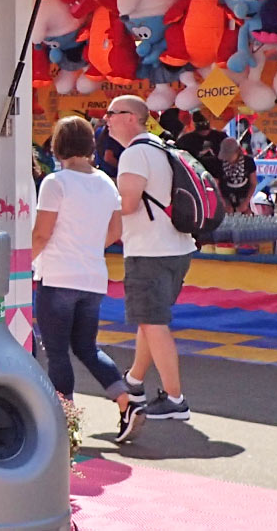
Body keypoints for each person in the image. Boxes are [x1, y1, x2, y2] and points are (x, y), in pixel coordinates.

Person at [32, 115, 144, 443]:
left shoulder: (56, 182)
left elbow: (42, 233)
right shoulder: (105, 183)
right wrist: (88, 245)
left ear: (58, 145)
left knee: (56, 351)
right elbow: (114, 231)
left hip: (57, 274)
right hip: (93, 276)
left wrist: (23, 261)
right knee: (86, 347)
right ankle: (126, 401)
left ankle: (64, 422)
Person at [107, 94, 197, 421]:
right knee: (150, 319)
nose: (106, 119)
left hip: (149, 251)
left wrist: (98, 208)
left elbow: (128, 204)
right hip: (177, 247)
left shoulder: (134, 154)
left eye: (112, 113)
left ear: (131, 117)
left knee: (154, 323)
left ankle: (175, 399)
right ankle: (134, 380)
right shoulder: (161, 148)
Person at [216, 127, 256, 215]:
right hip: (225, 196)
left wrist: (246, 202)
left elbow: (253, 183)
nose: (228, 158)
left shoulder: (248, 162)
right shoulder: (219, 163)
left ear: (237, 152)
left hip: (244, 196)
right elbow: (216, 184)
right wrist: (224, 202)